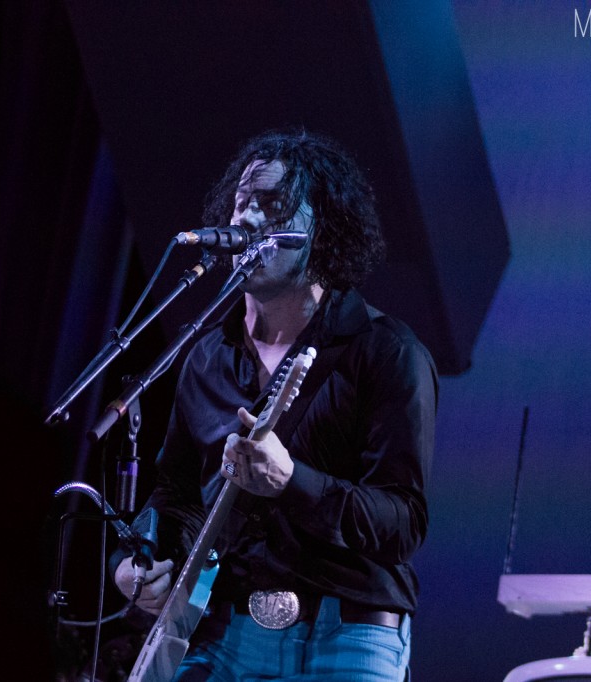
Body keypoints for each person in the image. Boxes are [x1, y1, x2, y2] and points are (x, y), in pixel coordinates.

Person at [111, 128, 438, 681]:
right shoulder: (208, 357)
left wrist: (294, 481)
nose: (250, 219)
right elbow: (177, 494)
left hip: (349, 632)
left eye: (275, 206)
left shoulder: (386, 351)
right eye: (244, 203)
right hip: (227, 630)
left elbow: (403, 520)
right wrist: (139, 562)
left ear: (324, 231)